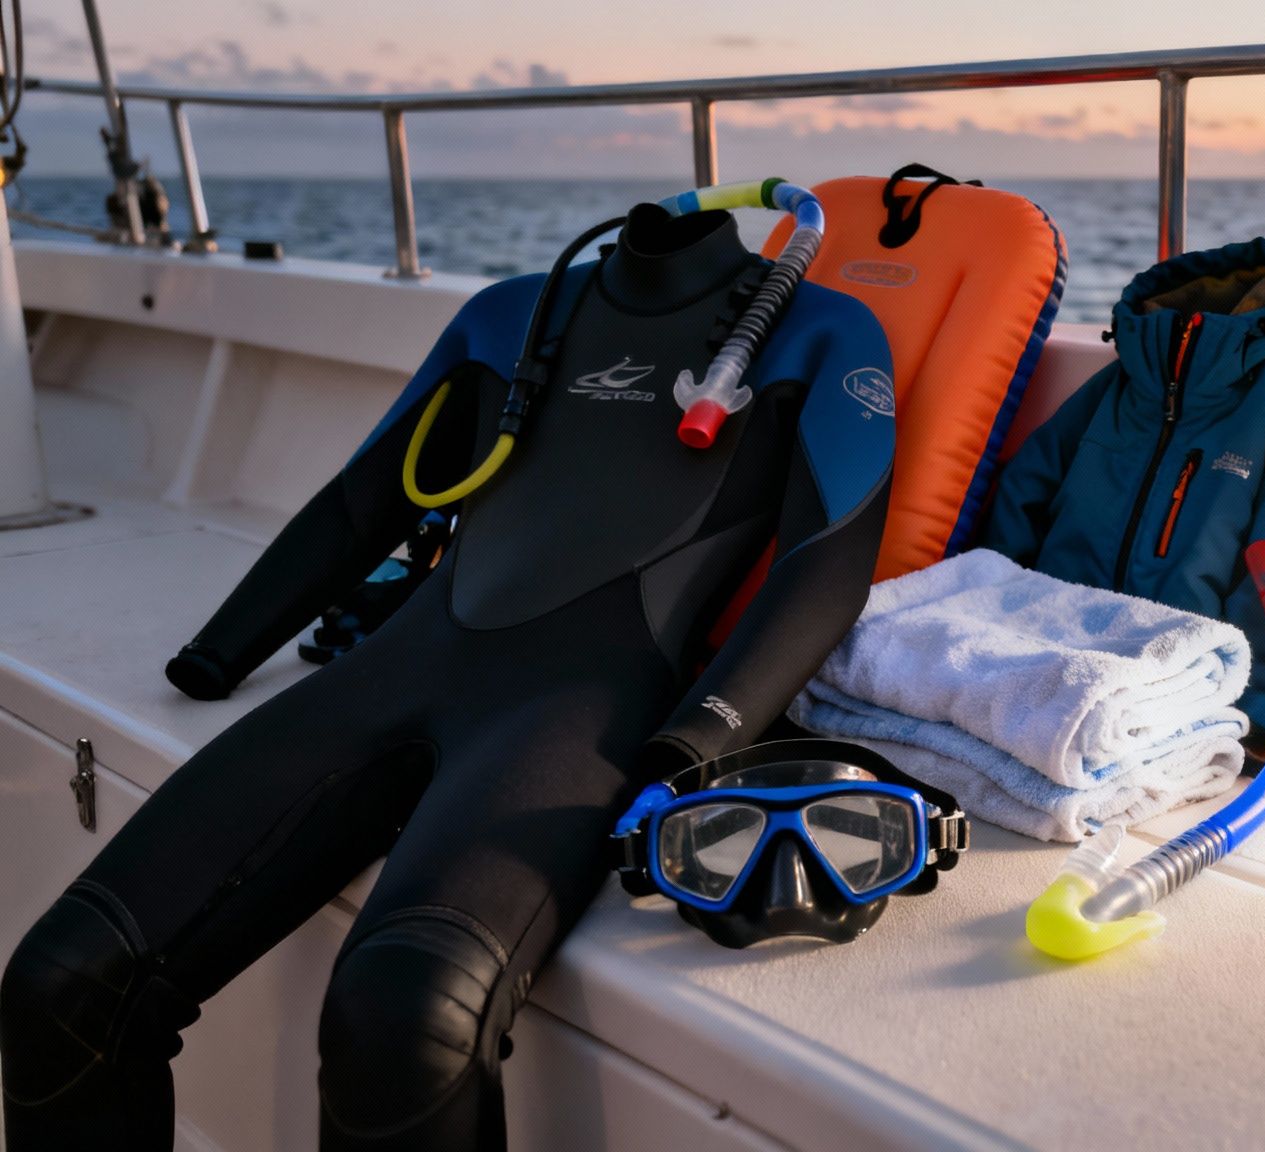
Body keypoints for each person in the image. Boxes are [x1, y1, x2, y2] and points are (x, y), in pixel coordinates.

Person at [0, 202, 894, 1151]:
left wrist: (699, 742)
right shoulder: (513, 312)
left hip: (581, 713)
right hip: (394, 670)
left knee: (402, 1017)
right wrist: (222, 651)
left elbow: (826, 567)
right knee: (60, 982)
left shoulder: (821, 331)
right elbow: (362, 501)